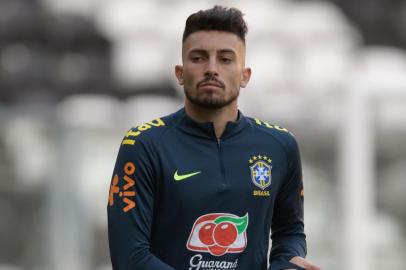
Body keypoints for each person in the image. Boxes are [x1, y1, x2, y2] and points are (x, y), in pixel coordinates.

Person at [108, 5, 320, 270]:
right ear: (180, 73)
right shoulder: (143, 145)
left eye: (225, 59)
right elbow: (130, 258)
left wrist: (287, 265)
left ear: (245, 76)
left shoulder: (280, 146)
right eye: (198, 58)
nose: (211, 68)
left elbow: (290, 231)